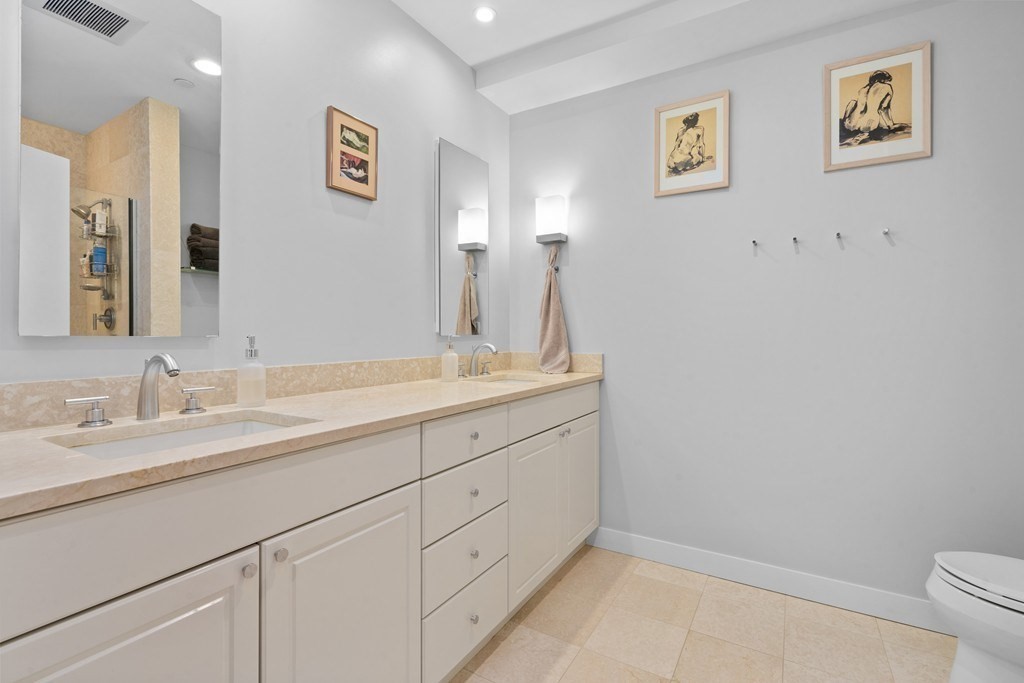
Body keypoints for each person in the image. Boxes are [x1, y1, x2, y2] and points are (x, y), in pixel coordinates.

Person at [840, 70, 910, 146]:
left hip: (850, 124)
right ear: (883, 79)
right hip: (869, 124)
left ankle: (846, 127)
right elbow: (884, 108)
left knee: (853, 102)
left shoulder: (863, 89)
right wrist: (890, 124)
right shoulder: (887, 87)